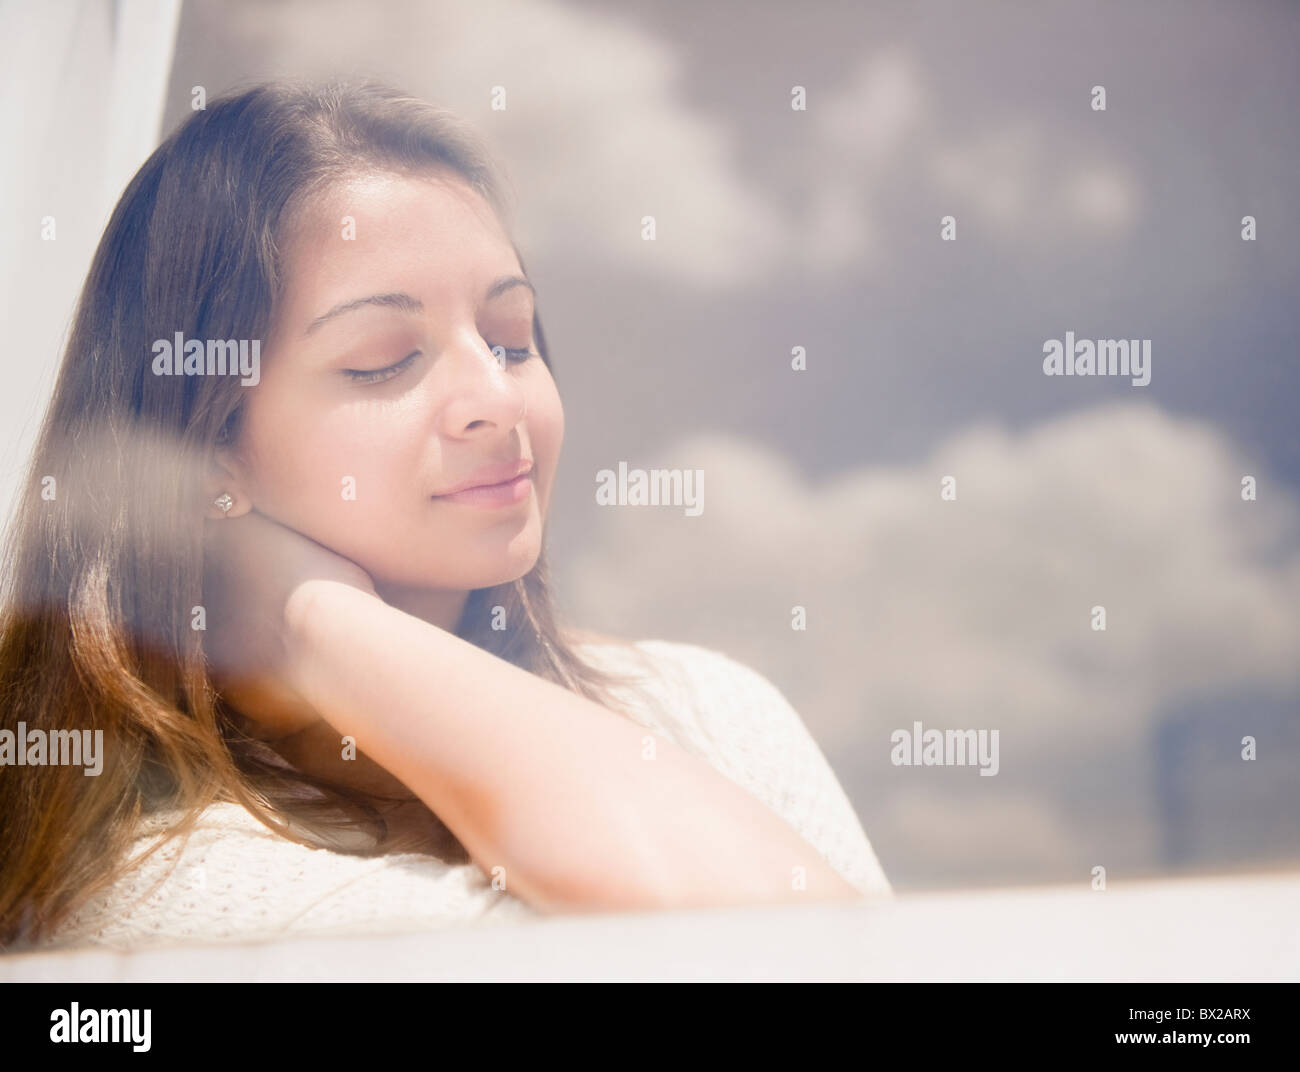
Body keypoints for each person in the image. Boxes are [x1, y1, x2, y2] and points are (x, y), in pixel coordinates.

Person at [0, 81, 891, 953]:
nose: (496, 400)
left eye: (511, 339)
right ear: (205, 449)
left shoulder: (709, 707)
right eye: (384, 361)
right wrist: (320, 621)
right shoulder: (163, 880)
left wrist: (307, 619)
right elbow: (756, 957)